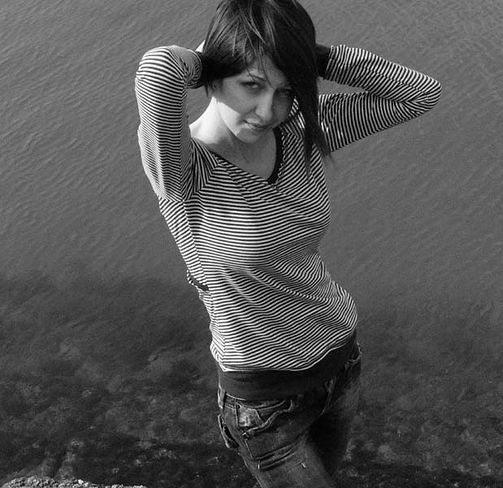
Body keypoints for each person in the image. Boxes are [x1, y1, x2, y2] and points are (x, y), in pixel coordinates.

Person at [134, 0, 441, 486]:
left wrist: (309, 57)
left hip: (340, 360)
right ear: (216, 75)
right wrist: (210, 56)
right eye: (251, 85)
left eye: (286, 91)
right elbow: (158, 72)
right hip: (265, 400)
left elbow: (419, 94)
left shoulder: (300, 132)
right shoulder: (182, 171)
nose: (267, 111)